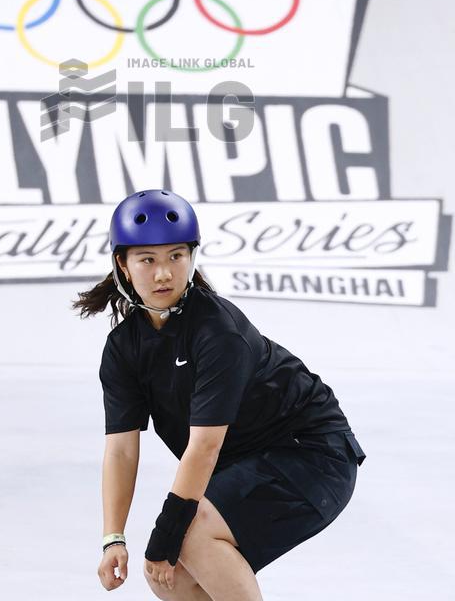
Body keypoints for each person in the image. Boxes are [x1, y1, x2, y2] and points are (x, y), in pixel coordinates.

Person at [72, 189, 366, 600]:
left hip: (313, 455)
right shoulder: (124, 347)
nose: (163, 274)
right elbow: (121, 449)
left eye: (176, 256)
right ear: (123, 262)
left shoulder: (217, 330)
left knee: (184, 540)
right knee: (170, 579)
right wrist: (113, 537)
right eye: (148, 260)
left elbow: (205, 447)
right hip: (249, 462)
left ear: (192, 257)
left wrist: (165, 534)